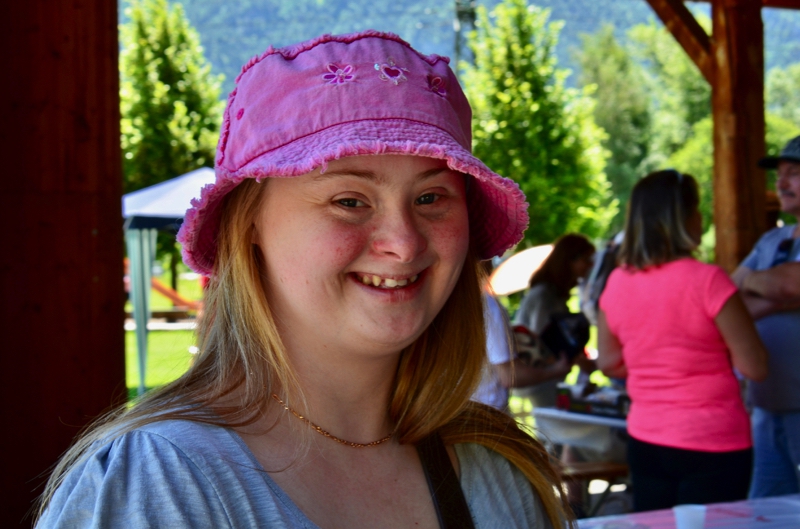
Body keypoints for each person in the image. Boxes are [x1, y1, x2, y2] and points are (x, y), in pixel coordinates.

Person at [35, 31, 572, 528]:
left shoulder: (498, 472)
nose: (404, 242)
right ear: (249, 225)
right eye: (349, 201)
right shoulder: (156, 482)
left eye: (431, 197)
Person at [597, 169, 769, 512]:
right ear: (683, 218)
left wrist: (654, 362)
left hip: (647, 437)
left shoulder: (617, 282)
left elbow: (608, 362)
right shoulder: (709, 280)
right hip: (714, 440)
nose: (701, 217)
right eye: (696, 208)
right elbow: (756, 367)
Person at [731, 135, 800, 499]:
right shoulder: (770, 241)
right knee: (766, 515)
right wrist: (779, 295)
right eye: (779, 175)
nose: (781, 183)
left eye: (793, 174)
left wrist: (761, 284)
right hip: (765, 409)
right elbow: (729, 298)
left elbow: (792, 284)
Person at [513, 233, 596, 408]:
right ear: (570, 261)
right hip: (540, 381)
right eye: (586, 260)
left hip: (546, 379)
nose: (591, 265)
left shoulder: (553, 294)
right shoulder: (544, 295)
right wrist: (578, 359)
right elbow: (546, 340)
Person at [473, 287, 571, 412]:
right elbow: (509, 376)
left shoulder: (455, 298)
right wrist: (555, 371)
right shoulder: (485, 304)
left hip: (462, 411)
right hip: (486, 412)